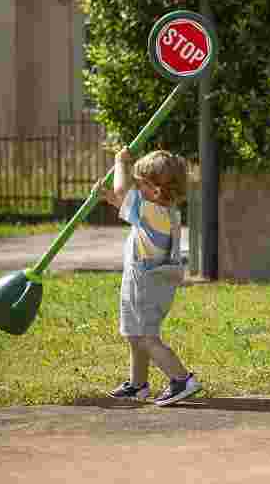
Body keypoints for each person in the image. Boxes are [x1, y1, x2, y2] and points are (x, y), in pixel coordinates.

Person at [99, 147, 202, 406]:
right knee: (134, 334)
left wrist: (120, 162)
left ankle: (181, 379)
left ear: (155, 192)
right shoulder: (161, 213)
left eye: (140, 184)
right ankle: (137, 385)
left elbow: (123, 193)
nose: (135, 188)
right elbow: (130, 209)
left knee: (146, 337)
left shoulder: (154, 214)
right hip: (146, 283)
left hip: (146, 286)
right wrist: (116, 201)